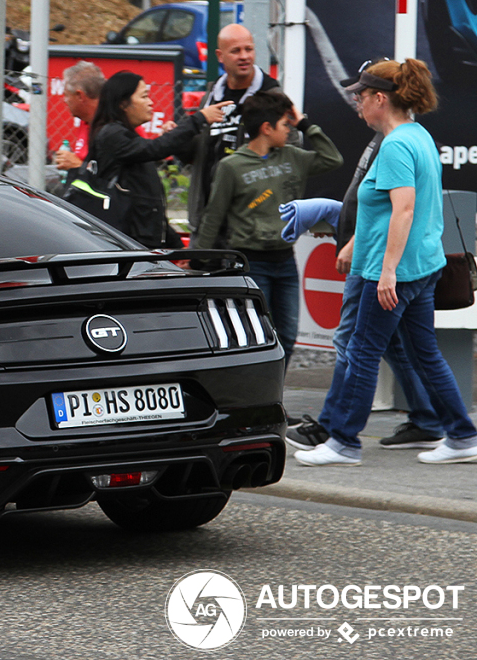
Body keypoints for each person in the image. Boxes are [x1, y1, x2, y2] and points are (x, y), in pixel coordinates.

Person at [292, 58, 477, 466]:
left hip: (391, 270)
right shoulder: (419, 135)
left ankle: (342, 442)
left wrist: (387, 271)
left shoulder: (394, 145)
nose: (356, 102)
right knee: (424, 353)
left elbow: (403, 210)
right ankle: (462, 436)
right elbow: (385, 210)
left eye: (360, 95)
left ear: (381, 98)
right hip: (422, 267)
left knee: (361, 350)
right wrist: (361, 244)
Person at [193, 90, 343, 366]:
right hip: (251, 264)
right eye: (285, 124)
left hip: (285, 262)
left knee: (286, 337)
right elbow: (213, 216)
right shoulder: (231, 167)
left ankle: (275, 400)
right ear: (266, 128)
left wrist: (305, 124)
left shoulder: (293, 158)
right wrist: (198, 260)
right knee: (257, 337)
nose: (289, 129)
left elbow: (333, 159)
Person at [84, 71, 227, 247]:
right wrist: (199, 119)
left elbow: (148, 205)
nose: (151, 103)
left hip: (139, 241)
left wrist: (176, 245)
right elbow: (154, 149)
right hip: (127, 244)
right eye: (144, 96)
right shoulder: (112, 135)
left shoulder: (125, 136)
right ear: (123, 103)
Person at [187, 24, 280, 237]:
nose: (244, 56)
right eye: (236, 51)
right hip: (207, 222)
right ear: (220, 56)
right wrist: (182, 136)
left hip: (250, 228)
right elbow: (196, 153)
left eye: (248, 49)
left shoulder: (271, 95)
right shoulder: (212, 95)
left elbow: (288, 154)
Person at [52, 60, 106, 173]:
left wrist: (78, 166)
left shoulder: (116, 126)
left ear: (80, 96)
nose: (64, 101)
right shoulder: (85, 120)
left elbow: (116, 182)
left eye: (66, 95)